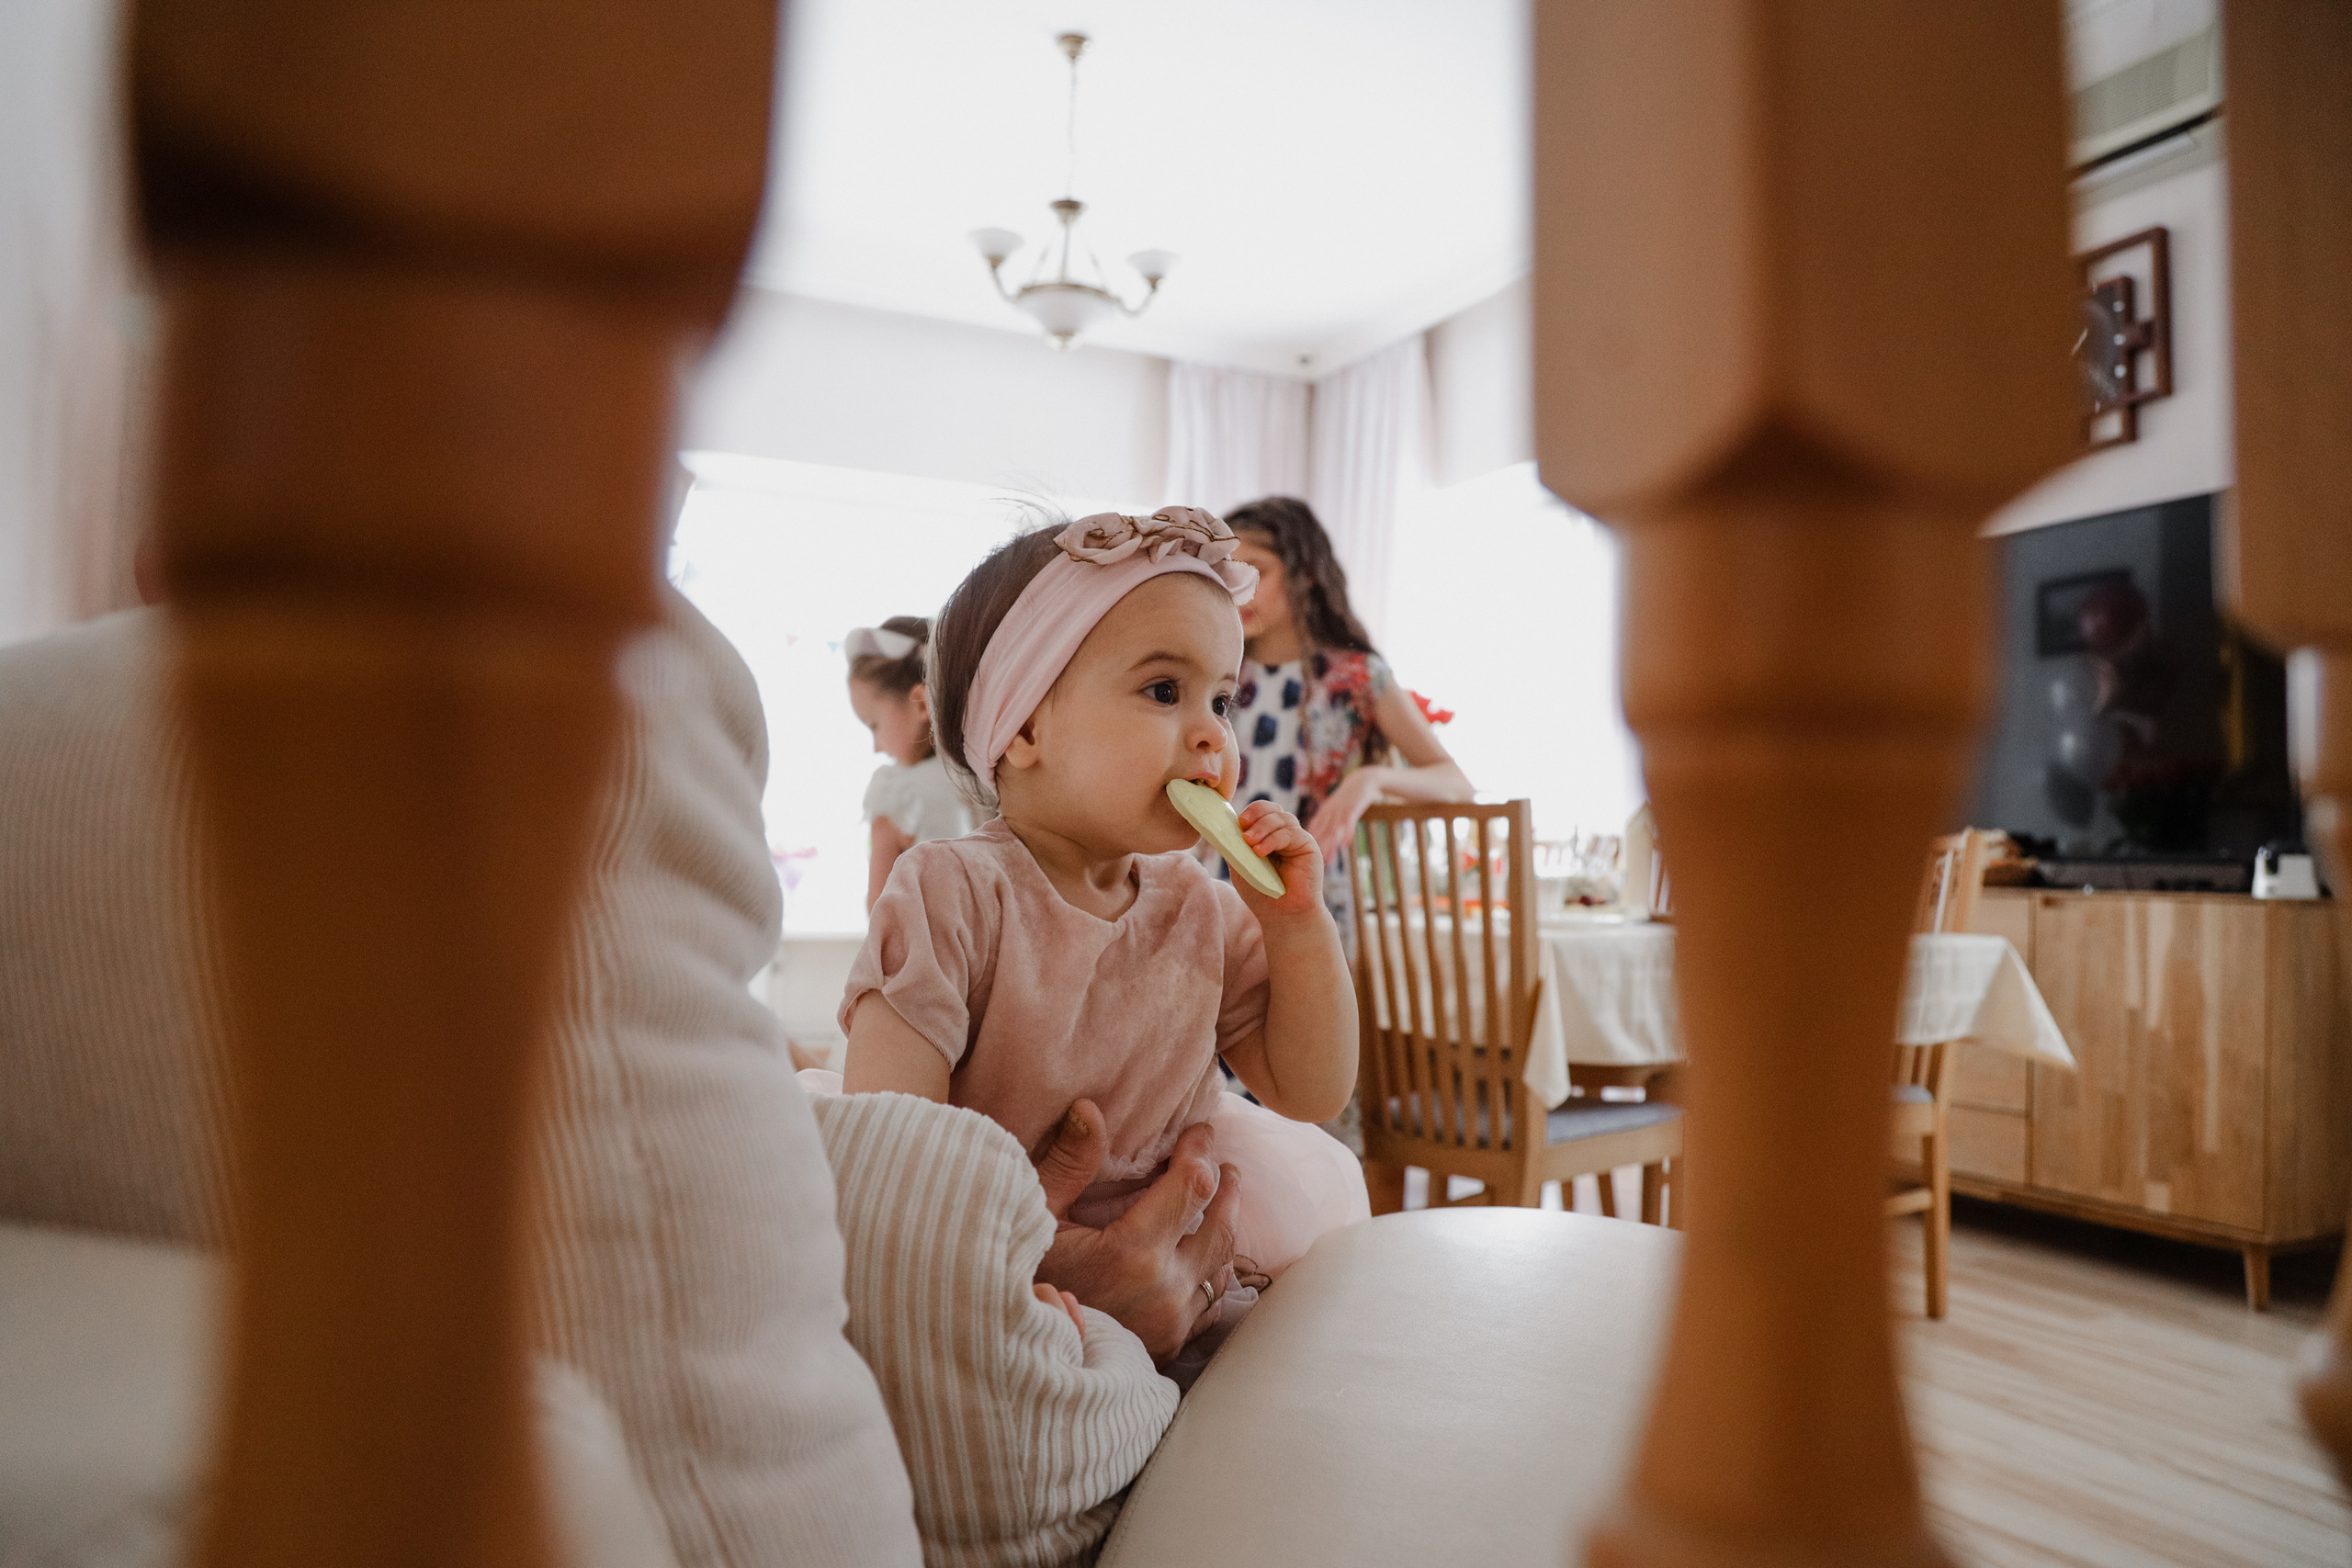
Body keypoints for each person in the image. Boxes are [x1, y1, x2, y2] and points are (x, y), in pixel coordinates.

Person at [837, 507, 1369, 1347]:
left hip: (1177, 1261)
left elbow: (1312, 1088)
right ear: (1024, 729)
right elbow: (890, 1148)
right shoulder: (952, 893)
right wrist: (997, 1272)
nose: (1212, 735)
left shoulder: (1199, 905)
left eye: (1222, 700)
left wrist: (1300, 932)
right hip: (995, 1272)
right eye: (1165, 691)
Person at [1222, 497, 1474, 874]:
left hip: (1313, 901)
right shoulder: (1218, 670)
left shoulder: (1357, 678)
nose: (1238, 587)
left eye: (1255, 570)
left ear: (1305, 575)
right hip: (1216, 891)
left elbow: (1457, 783)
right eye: (1227, 573)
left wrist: (1370, 780)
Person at [846, 617, 973, 910]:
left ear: (919, 704)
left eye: (874, 725)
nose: (876, 747)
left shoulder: (896, 793)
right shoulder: (980, 779)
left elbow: (880, 912)